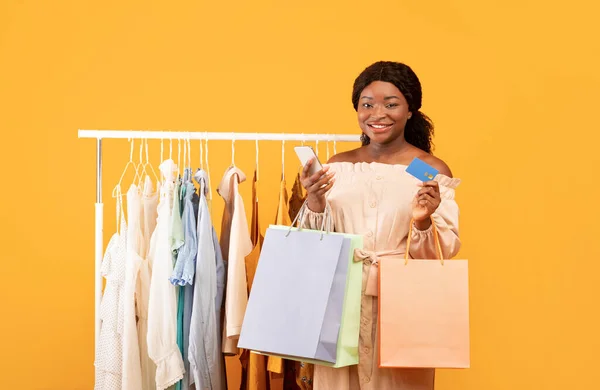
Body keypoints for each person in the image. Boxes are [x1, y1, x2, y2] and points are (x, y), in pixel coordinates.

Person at [299, 61, 462, 390]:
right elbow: (312, 246)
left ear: (410, 110)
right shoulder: (338, 166)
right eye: (367, 104)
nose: (378, 113)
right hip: (338, 302)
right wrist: (314, 202)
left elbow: (444, 252)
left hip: (403, 306)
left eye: (391, 104)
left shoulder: (425, 168)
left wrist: (423, 220)